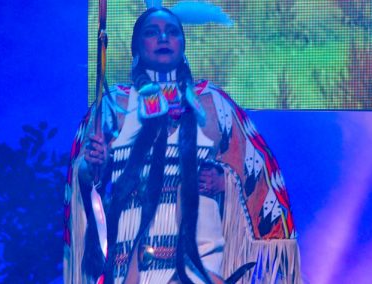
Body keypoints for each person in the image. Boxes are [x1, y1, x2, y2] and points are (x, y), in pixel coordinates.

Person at [63, 5, 301, 284]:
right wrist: (93, 169)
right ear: (136, 49)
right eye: (152, 33)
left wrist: (224, 182)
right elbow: (83, 188)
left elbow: (257, 174)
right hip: (130, 265)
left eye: (172, 32)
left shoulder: (212, 104)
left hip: (199, 266)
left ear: (183, 44)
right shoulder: (114, 105)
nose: (163, 38)